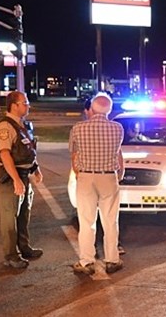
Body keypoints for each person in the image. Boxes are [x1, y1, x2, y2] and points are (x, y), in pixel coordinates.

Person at [69, 93, 124, 275]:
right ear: (109, 109)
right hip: (108, 176)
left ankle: (86, 261)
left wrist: (78, 172)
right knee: (110, 220)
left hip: (86, 176)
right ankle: (112, 259)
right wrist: (119, 173)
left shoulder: (78, 128)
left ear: (91, 108)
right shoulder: (117, 128)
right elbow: (118, 153)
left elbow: (74, 154)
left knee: (86, 221)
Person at [0, 90, 43, 269]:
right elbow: (5, 155)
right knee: (10, 217)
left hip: (24, 175)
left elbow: (29, 150)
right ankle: (11, 255)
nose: (28, 105)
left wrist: (36, 169)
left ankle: (24, 248)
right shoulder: (5, 127)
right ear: (14, 105)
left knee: (23, 215)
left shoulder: (24, 125)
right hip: (11, 177)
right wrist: (16, 179)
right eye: (24, 102)